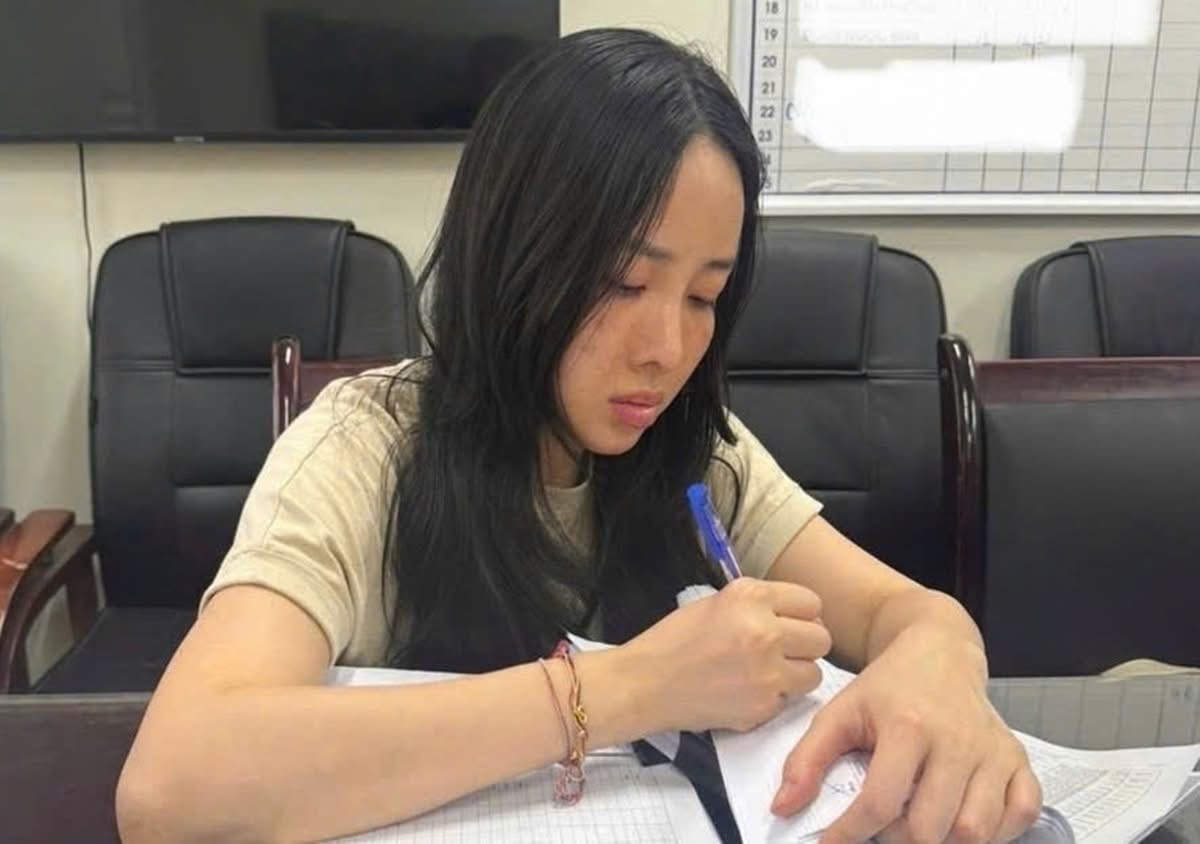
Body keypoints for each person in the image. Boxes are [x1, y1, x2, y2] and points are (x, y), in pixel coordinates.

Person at [116, 28, 1041, 844]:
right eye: (623, 284)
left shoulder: (695, 449)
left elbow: (900, 613)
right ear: (511, 255)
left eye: (705, 296)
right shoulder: (368, 446)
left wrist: (941, 661)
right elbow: (171, 790)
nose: (667, 349)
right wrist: (633, 688)